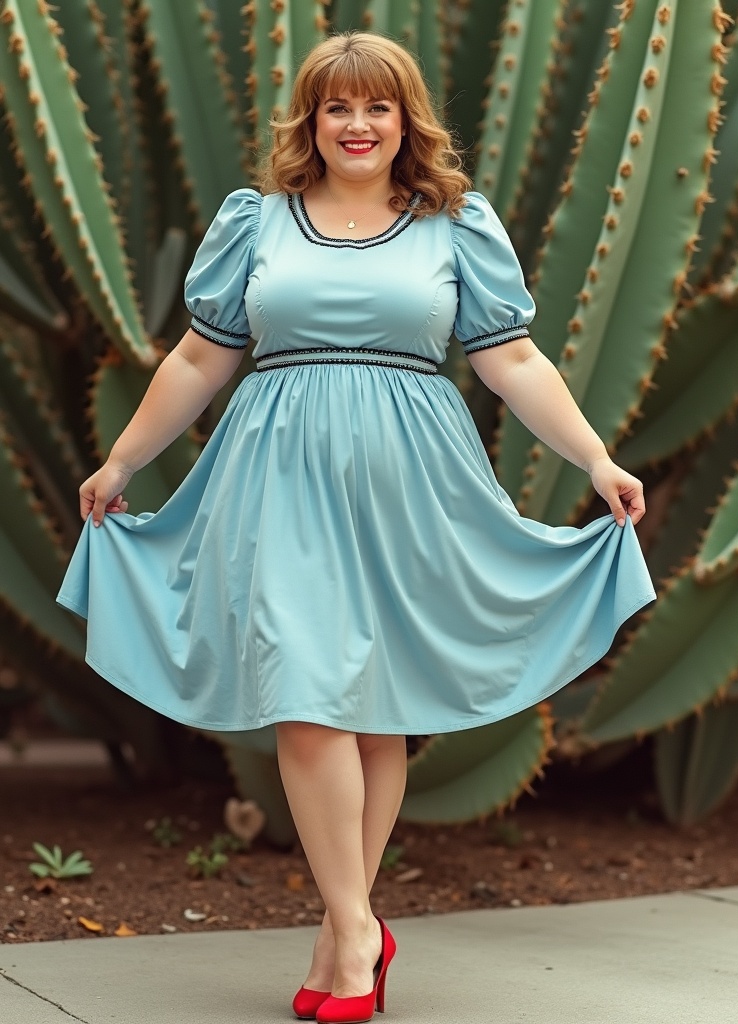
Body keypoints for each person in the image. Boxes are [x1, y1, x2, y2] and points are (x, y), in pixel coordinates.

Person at [57, 30, 655, 1024]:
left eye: (378, 106)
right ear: (312, 120)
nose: (358, 124)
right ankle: (356, 926)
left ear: (405, 118)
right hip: (277, 480)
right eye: (337, 106)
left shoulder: (453, 227)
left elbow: (514, 362)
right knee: (305, 689)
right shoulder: (259, 222)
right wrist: (120, 459)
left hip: (413, 485)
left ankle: (346, 938)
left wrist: (596, 458)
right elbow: (201, 360)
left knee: (376, 711)